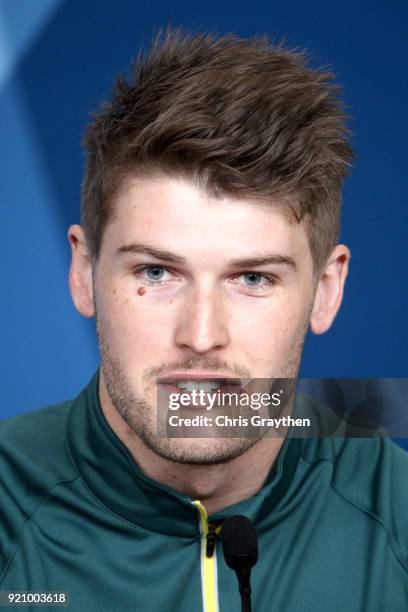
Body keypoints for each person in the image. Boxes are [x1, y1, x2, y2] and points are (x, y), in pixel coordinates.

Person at [0, 28, 407, 612]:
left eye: (253, 279)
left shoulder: (398, 515)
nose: (200, 336)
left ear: (325, 290)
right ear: (83, 273)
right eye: (158, 273)